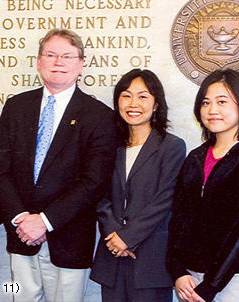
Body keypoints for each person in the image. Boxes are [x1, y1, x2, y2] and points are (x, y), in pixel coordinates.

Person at [0, 28, 117, 302]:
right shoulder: (16, 107)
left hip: (69, 237)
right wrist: (21, 220)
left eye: (67, 56)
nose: (58, 62)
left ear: (81, 64)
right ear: (38, 62)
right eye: (51, 54)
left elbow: (94, 183)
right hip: (21, 234)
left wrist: (45, 222)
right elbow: (1, 170)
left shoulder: (99, 116)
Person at [167, 69, 239, 302]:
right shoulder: (195, 157)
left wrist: (211, 286)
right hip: (190, 278)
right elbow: (178, 218)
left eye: (222, 101)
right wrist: (178, 271)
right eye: (206, 102)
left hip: (234, 280)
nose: (212, 110)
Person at [90, 69, 186, 301]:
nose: (134, 103)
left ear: (156, 105)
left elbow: (165, 200)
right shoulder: (109, 145)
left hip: (150, 260)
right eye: (126, 95)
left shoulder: (171, 146)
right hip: (111, 256)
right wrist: (114, 235)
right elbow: (98, 194)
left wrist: (127, 237)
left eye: (143, 96)